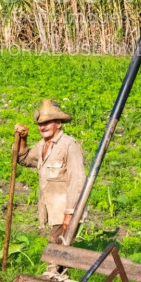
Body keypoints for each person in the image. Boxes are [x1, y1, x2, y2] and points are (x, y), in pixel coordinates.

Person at [14, 99, 86, 245]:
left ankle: (56, 263)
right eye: (40, 124)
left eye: (47, 123)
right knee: (58, 248)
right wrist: (23, 139)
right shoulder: (43, 145)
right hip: (54, 210)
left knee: (55, 247)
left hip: (65, 209)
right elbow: (24, 159)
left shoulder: (69, 145)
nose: (42, 127)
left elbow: (77, 180)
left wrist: (70, 213)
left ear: (58, 124)